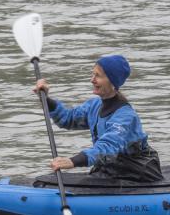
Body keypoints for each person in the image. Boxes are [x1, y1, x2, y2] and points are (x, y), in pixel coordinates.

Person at [32, 54, 163, 182]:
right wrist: (45, 98)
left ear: (112, 81)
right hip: (111, 168)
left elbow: (107, 146)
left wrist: (72, 161)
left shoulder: (125, 116)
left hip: (138, 173)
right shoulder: (94, 105)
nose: (92, 80)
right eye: (93, 74)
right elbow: (68, 119)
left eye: (98, 76)